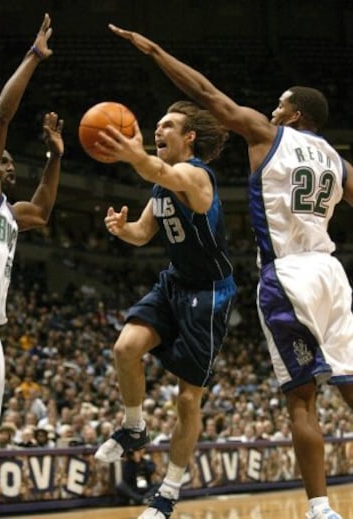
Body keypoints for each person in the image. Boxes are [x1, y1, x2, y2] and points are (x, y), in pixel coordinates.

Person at [107, 25, 353, 519]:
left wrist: (154, 49)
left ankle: (321, 509)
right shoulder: (339, 162)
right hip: (333, 272)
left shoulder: (268, 134)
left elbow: (205, 94)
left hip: (289, 273)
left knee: (302, 400)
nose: (273, 109)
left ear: (295, 114)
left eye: (281, 104)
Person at [93, 99, 236, 519]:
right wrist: (122, 230)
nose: (158, 131)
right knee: (124, 348)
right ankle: (135, 426)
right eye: (156, 124)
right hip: (174, 283)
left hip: (209, 295)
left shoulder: (194, 176)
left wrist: (133, 154)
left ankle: (167, 493)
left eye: (168, 125)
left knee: (188, 402)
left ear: (189, 137)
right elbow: (143, 233)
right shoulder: (160, 188)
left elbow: (160, 171)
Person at [0, 13, 63, 517]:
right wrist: (33, 57)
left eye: (13, 162)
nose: (9, 165)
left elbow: (40, 210)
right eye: (2, 161)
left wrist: (55, 157)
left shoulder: (12, 215)